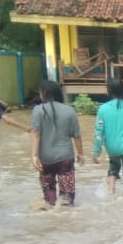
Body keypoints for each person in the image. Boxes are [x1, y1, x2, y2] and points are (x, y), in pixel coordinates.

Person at [30, 80, 83, 208]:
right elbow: (76, 135)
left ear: (44, 94)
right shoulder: (69, 111)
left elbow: (36, 134)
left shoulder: (37, 110)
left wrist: (34, 156)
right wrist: (80, 154)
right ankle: (67, 223)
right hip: (65, 158)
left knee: (49, 200)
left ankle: (51, 221)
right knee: (67, 199)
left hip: (46, 159)